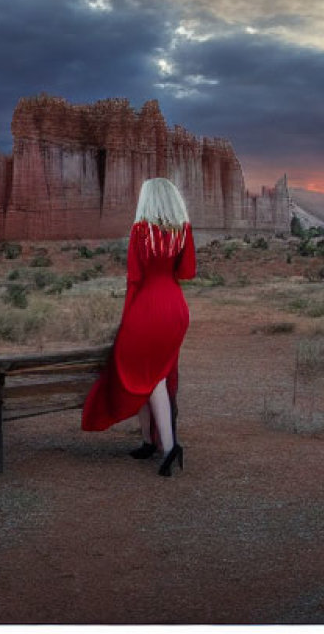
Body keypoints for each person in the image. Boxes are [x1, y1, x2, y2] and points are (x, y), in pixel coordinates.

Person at [81, 177, 197, 477]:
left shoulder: (140, 230)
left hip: (147, 308)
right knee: (154, 372)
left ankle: (170, 449)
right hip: (176, 308)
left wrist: (127, 318)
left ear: (147, 199)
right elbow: (187, 272)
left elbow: (133, 278)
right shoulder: (182, 230)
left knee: (150, 375)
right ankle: (148, 440)